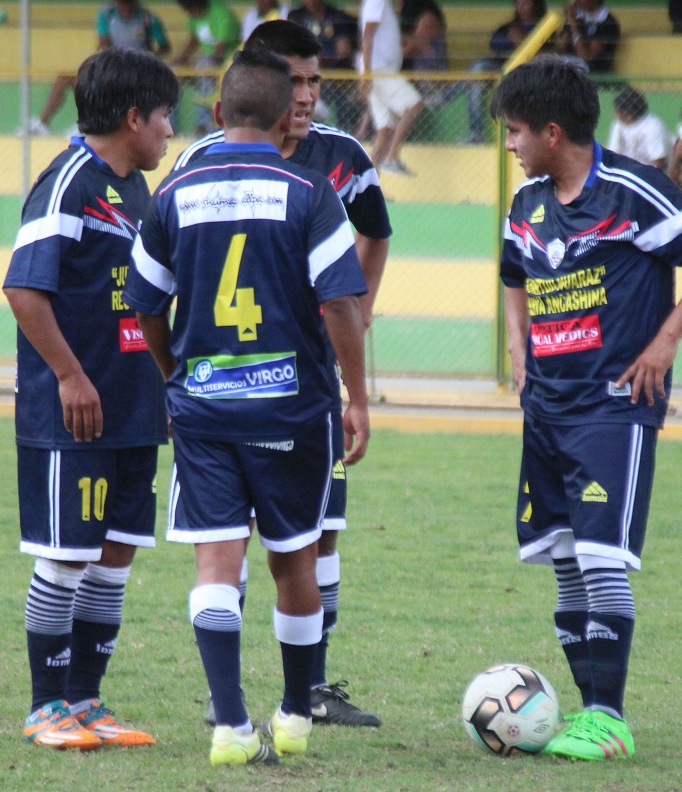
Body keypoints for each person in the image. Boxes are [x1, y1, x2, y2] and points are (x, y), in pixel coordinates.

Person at [123, 47, 371, 766]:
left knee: (216, 564)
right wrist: (357, 397)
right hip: (292, 410)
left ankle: (230, 725)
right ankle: (293, 715)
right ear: (287, 115)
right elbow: (340, 305)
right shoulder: (310, 191)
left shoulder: (175, 191)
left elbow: (145, 305)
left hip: (204, 408)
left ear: (218, 112)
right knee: (294, 562)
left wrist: (175, 376)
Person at [490, 55, 682, 761]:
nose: (508, 145)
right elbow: (512, 272)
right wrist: (517, 341)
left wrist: (666, 341)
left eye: (514, 131)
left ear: (551, 131)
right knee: (566, 560)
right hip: (547, 406)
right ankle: (586, 713)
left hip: (614, 405)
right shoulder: (527, 203)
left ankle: (609, 716)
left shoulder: (634, 191)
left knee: (602, 558)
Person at [172, 19, 391, 730]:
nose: (305, 95)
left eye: (315, 80)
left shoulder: (343, 156)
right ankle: (231, 695)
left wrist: (357, 314)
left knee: (318, 534)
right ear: (261, 84)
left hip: (303, 380)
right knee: (231, 541)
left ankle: (311, 689)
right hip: (248, 381)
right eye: (293, 81)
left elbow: (376, 232)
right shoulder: (201, 160)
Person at [3, 47, 180, 750]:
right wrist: (71, 376)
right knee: (66, 555)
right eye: (165, 115)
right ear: (133, 117)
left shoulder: (136, 190)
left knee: (115, 556)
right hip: (72, 413)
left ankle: (85, 700)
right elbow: (24, 287)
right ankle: (45, 706)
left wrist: (166, 384)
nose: (170, 130)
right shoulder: (67, 182)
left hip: (133, 407)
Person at [28, 0, 170, 136]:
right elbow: (103, 43)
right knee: (67, 79)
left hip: (136, 72)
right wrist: (108, 61)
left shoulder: (147, 18)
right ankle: (43, 124)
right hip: (112, 66)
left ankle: (87, 125)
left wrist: (146, 58)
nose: (124, 7)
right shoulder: (107, 15)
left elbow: (164, 46)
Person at [466, 0, 547, 143]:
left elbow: (549, 54)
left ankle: (443, 97)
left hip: (528, 73)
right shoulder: (510, 26)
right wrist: (512, 39)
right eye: (518, 3)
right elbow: (494, 43)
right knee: (477, 72)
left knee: (477, 74)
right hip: (501, 70)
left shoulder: (544, 26)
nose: (522, 7)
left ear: (535, 4)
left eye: (526, 3)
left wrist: (520, 41)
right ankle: (476, 134)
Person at [360, 0, 424, 174]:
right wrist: (367, 73)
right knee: (414, 104)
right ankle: (392, 157)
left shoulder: (384, 5)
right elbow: (368, 35)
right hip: (380, 71)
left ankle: (369, 184)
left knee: (384, 129)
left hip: (378, 71)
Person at [288, 0, 362, 130]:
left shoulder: (337, 16)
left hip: (336, 76)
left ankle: (342, 129)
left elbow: (343, 49)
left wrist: (324, 59)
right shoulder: (296, 16)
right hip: (306, 74)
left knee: (343, 99)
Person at [174, 0, 242, 136]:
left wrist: (195, 65)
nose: (189, 12)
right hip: (204, 64)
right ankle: (171, 126)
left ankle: (203, 125)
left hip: (227, 64)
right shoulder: (194, 17)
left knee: (205, 66)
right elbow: (194, 39)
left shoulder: (221, 14)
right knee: (172, 71)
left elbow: (220, 51)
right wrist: (182, 59)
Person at [399, 0, 449, 111]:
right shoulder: (408, 21)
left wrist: (389, 60)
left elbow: (414, 46)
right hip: (414, 77)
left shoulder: (428, 17)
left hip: (431, 81)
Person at [607, 86, 673, 170]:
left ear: (627, 112)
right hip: (626, 173)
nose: (615, 113)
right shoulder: (618, 125)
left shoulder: (653, 127)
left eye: (617, 110)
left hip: (648, 174)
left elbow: (659, 164)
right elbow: (613, 153)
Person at [553, 0, 620, 74]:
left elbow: (585, 56)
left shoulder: (608, 23)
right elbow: (560, 48)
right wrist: (568, 18)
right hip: (569, 65)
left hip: (592, 73)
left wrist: (574, 25)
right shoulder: (578, 17)